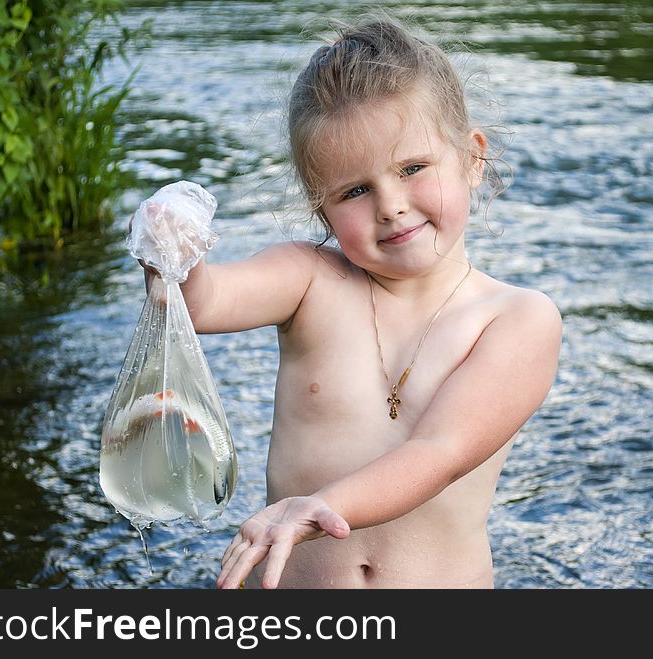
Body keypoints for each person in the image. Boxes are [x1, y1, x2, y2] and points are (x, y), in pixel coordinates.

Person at [141, 14, 561, 588]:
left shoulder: (516, 320)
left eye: (413, 168)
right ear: (323, 210)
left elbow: (441, 451)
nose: (390, 205)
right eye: (355, 191)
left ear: (472, 159)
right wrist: (174, 252)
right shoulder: (308, 278)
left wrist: (314, 506)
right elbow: (205, 304)